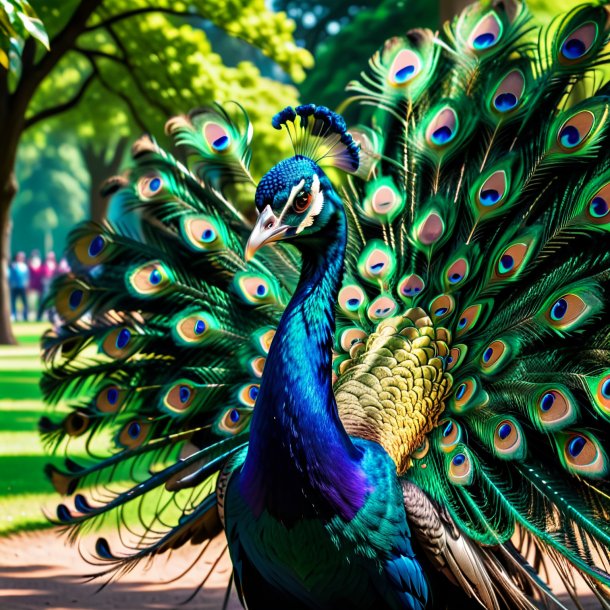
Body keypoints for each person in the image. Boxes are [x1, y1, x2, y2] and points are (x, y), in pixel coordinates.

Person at [9, 252, 29, 322]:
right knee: (13, 302)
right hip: (15, 287)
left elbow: (27, 277)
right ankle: (14, 315)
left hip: (22, 287)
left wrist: (26, 285)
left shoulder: (25, 266)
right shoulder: (14, 266)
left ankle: (25, 316)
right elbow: (11, 276)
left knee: (25, 302)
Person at [37, 251, 57, 322]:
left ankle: (51, 317)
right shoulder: (44, 266)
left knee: (52, 302)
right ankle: (39, 316)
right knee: (43, 301)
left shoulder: (55, 265)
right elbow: (41, 275)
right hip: (45, 285)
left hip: (52, 285)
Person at [28, 249, 43, 316]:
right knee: (31, 301)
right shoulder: (30, 264)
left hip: (39, 284)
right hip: (32, 284)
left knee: (39, 300)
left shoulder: (40, 264)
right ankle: (31, 313)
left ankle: (38, 314)